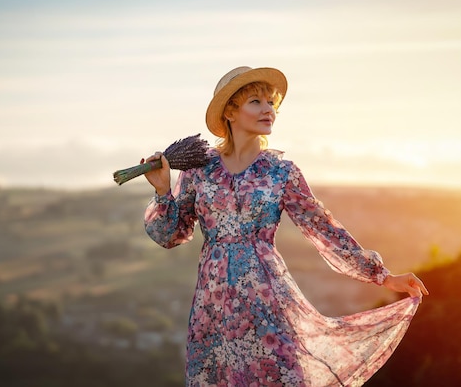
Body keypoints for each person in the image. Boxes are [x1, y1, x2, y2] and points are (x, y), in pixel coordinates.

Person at [142, 66, 429, 386]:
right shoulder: (200, 169)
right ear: (231, 112)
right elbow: (172, 234)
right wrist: (162, 190)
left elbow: (324, 230)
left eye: (271, 103)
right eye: (256, 102)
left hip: (267, 297)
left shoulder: (281, 172)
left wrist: (383, 276)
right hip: (213, 305)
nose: (268, 110)